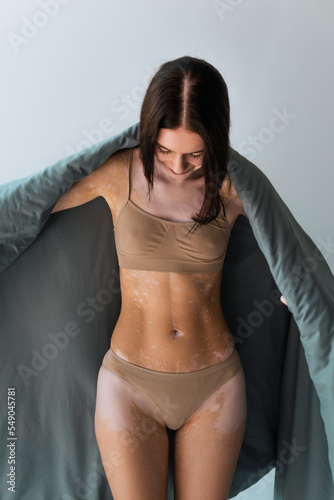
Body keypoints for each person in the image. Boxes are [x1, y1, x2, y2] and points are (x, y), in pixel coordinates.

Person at [50, 56, 289, 499]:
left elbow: (287, 247)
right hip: (129, 386)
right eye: (164, 150)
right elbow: (34, 207)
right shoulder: (118, 173)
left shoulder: (232, 187)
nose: (179, 166)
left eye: (194, 154)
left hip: (214, 388)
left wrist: (297, 293)